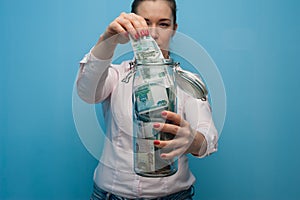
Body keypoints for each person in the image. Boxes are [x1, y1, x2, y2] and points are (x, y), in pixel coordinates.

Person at [76, 0, 218, 199]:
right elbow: (86, 91)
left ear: (174, 29)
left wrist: (191, 140)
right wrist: (108, 39)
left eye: (163, 24)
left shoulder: (186, 81)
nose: (153, 34)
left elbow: (207, 136)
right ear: (131, 25)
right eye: (145, 23)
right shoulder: (117, 75)